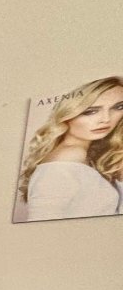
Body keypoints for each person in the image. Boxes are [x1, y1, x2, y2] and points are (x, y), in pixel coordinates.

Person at [17, 76, 123, 222]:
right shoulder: (70, 155)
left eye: (118, 107)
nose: (106, 119)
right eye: (90, 111)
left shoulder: (87, 153)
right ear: (67, 114)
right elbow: (42, 222)